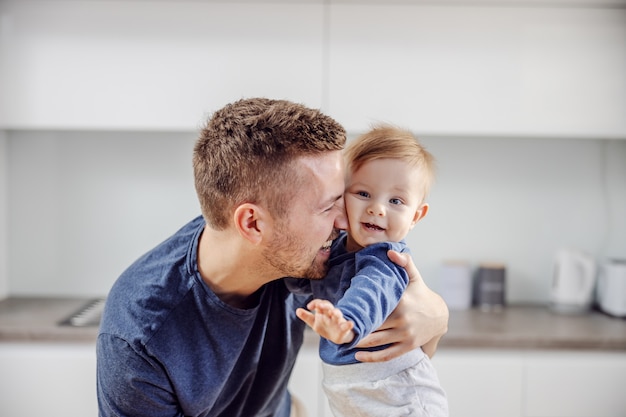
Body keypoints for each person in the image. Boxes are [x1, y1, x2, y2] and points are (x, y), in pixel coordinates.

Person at [96, 98, 449, 417]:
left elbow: (405, 334)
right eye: (327, 207)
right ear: (252, 223)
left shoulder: (295, 252)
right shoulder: (139, 339)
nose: (345, 222)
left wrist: (436, 315)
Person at [295, 125, 449, 417]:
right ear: (342, 197)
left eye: (395, 201)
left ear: (416, 216)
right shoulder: (337, 249)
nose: (378, 209)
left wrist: (348, 323)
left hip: (398, 393)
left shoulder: (386, 258)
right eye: (363, 193)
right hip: (355, 390)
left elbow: (371, 290)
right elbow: (310, 281)